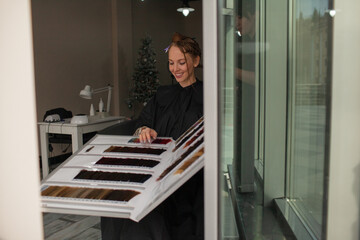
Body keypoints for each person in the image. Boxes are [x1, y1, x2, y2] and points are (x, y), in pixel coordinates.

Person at [101, 32, 204, 240]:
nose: (175, 69)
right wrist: (144, 130)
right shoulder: (162, 94)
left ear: (196, 60)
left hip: (189, 175)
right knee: (118, 201)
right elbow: (141, 124)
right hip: (155, 168)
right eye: (171, 63)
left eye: (181, 62)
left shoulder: (208, 96)